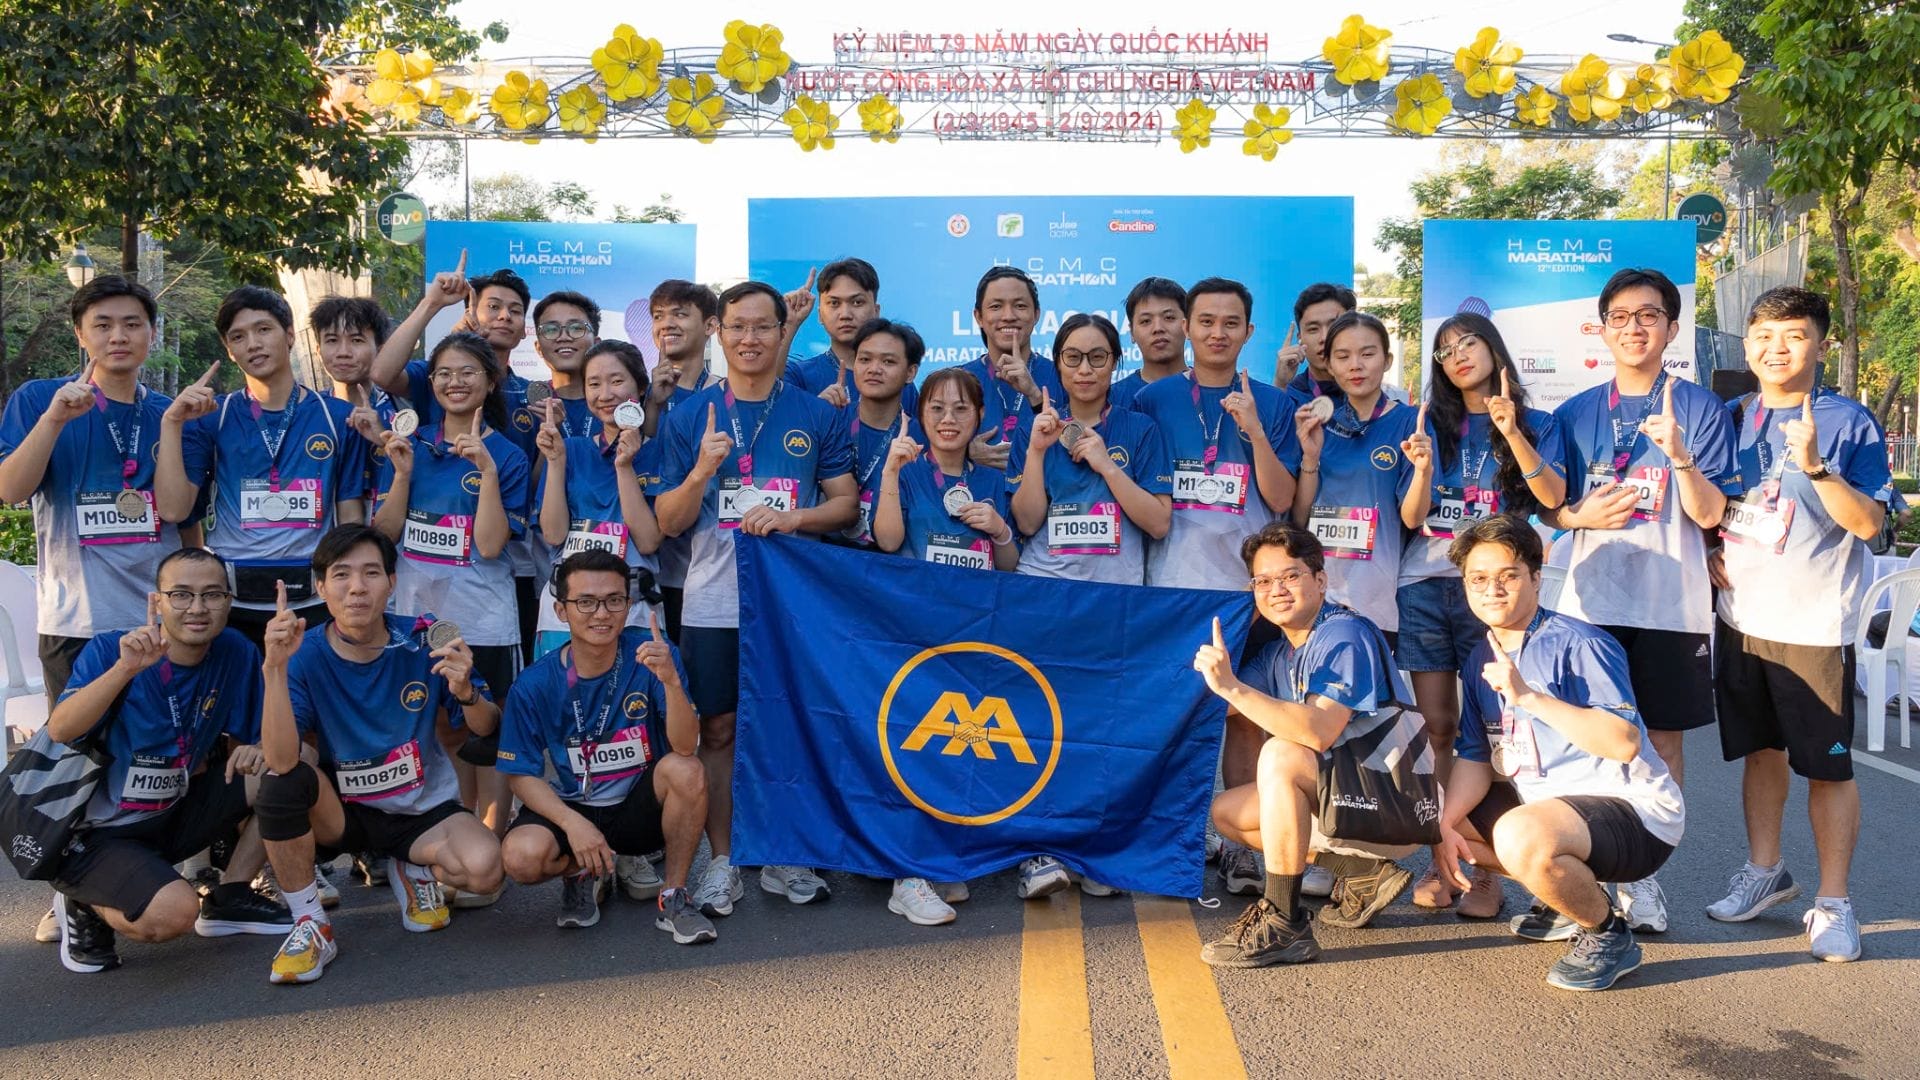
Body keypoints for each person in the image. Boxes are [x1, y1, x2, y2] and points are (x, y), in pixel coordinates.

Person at [1543, 267, 1739, 932]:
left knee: (1659, 743)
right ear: (1602, 329)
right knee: (1587, 743)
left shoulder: (1703, 410)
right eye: (1621, 316)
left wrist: (1681, 457)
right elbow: (1551, 511)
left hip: (1668, 607)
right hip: (1586, 606)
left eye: (1649, 315)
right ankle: (1591, 876)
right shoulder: (1573, 415)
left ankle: (1646, 882)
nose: (1634, 326)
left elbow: (1713, 513)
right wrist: (1578, 516)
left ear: (1671, 329)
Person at [655, 281, 857, 917]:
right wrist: (700, 474)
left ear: (781, 332)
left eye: (762, 327)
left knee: (788, 722)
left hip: (791, 602)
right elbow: (666, 520)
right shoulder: (690, 414)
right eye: (737, 327)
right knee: (716, 729)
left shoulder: (815, 413)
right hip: (713, 602)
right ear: (719, 331)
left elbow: (846, 505)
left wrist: (794, 520)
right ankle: (725, 858)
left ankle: (784, 850)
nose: (749, 339)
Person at [1707, 287, 1893, 963]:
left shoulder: (1850, 422)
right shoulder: (1730, 416)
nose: (1775, 348)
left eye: (1792, 335)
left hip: (1815, 626)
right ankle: (1765, 873)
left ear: (1820, 344)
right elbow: (1710, 506)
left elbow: (1870, 524)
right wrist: (1706, 555)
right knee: (1761, 752)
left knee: (1827, 769)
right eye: (1762, 335)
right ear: (1747, 343)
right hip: (1741, 620)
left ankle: (1835, 902)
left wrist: (1813, 464)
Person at [1436, 514, 1685, 992]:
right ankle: (1565, 899)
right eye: (1478, 579)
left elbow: (1623, 742)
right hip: (1555, 810)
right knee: (1440, 816)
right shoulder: (1479, 656)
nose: (1493, 589)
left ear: (1535, 576)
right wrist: (1443, 827)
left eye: (1508, 575)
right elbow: (1474, 756)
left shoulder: (1581, 642)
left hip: (1636, 815)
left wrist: (1530, 697)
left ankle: (1608, 934)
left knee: (1519, 833)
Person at [251, 525, 503, 984]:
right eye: (341, 574)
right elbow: (283, 759)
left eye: (371, 573)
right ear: (321, 586)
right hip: (342, 813)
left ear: (391, 582)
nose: (357, 587)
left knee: (486, 871)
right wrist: (274, 669)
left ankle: (412, 867)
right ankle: (310, 922)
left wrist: (466, 692)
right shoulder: (301, 654)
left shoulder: (425, 639)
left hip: (421, 810)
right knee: (280, 781)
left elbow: (485, 729)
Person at [1128, 276, 1302, 897]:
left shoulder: (1273, 405)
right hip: (1171, 584)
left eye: (1231, 323)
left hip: (1245, 590)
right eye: (1205, 322)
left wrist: (1255, 428)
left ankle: (1239, 845)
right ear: (1186, 328)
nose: (1216, 333)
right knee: (1173, 714)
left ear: (1248, 332)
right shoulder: (1151, 401)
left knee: (1245, 718)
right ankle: (1175, 832)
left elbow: (1282, 501)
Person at [43, 548, 288, 973]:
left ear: (229, 602)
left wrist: (263, 746)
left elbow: (255, 741)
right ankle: (82, 899)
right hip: (102, 832)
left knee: (289, 764)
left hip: (172, 812)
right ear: (157, 602)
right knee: (173, 914)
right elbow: (60, 730)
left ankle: (231, 895)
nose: (197, 608)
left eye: (212, 595)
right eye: (181, 595)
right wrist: (125, 670)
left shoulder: (234, 651)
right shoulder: (111, 649)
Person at [1191, 523, 1420, 968]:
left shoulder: (1344, 633)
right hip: (1349, 798)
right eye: (1263, 581)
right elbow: (1222, 707)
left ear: (1320, 579)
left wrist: (1232, 689)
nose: (1276, 589)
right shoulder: (1279, 651)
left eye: (1290, 576)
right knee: (1227, 814)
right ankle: (1363, 873)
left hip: (1395, 804)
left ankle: (1283, 921)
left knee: (1282, 752)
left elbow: (1318, 731)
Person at [1398, 314, 1567, 914]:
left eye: (1467, 342)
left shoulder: (1537, 422)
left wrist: (1512, 432)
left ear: (1493, 348)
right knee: (1439, 729)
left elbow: (1552, 499)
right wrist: (1420, 468)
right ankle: (1448, 860)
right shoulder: (1426, 424)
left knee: (1503, 730)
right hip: (1425, 587)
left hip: (1497, 594)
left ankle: (1508, 867)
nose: (1457, 355)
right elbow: (1412, 517)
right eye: (1444, 350)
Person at [371, 331, 532, 870]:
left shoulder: (507, 454)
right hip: (414, 614)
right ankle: (458, 825)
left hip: (484, 620)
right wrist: (400, 475)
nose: (454, 382)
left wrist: (486, 472)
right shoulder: (410, 444)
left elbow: (489, 544)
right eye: (443, 373)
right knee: (440, 726)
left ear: (490, 381)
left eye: (467, 372)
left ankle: (491, 835)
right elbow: (386, 533)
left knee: (487, 728)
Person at [497, 550, 714, 942]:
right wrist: (572, 824)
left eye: (614, 600)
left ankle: (674, 896)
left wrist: (671, 683)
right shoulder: (533, 684)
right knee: (521, 857)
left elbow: (686, 746)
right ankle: (581, 873)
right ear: (561, 611)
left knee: (688, 771)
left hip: (635, 807)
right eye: (586, 602)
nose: (601, 614)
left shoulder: (654, 653)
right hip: (573, 805)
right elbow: (519, 774)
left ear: (628, 605)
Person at [0, 276, 189, 705]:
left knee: (157, 752)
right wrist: (54, 421)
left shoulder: (168, 413)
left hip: (159, 622)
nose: (118, 336)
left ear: (151, 333)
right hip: (74, 622)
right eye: (102, 325)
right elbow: (10, 490)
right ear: (80, 334)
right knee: (77, 756)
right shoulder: (40, 399)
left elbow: (186, 521)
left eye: (132, 324)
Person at [157, 285, 371, 645]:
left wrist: (345, 593)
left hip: (314, 602)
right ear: (228, 349)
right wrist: (171, 423)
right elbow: (175, 509)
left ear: (289, 335)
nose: (253, 344)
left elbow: (349, 516)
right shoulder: (211, 418)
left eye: (263, 329)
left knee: (303, 702)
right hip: (231, 605)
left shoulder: (338, 418)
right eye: (238, 337)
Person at [371, 260, 545, 664]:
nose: (456, 382)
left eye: (515, 310)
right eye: (493, 306)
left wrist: (489, 471)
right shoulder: (416, 436)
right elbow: (381, 372)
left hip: (498, 582)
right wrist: (432, 304)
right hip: (415, 600)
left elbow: (494, 537)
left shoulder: (529, 403)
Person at [1010, 313, 1173, 585]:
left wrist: (1108, 467)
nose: (1084, 369)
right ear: (1059, 365)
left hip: (1115, 593)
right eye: (1073, 357)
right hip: (1044, 584)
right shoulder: (1033, 430)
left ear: (1114, 363)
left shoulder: (1140, 428)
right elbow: (1027, 524)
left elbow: (1158, 525)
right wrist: (1036, 452)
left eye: (1097, 357)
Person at [1290, 310, 1418, 639]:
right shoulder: (1315, 421)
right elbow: (1300, 518)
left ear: (1387, 360)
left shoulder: (1409, 422)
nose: (1355, 365)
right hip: (1315, 593)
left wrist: (1425, 468)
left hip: (1375, 596)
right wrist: (1310, 456)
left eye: (1368, 354)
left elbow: (1413, 518)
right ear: (1329, 365)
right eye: (1343, 356)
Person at [533, 340, 664, 654]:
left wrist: (624, 467)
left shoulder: (660, 450)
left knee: (633, 699)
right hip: (566, 611)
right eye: (594, 384)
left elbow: (647, 542)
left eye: (617, 381)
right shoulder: (572, 449)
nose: (605, 394)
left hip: (632, 608)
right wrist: (554, 461)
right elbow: (553, 534)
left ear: (641, 387)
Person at [873, 367, 1019, 571]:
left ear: (980, 413)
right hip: (920, 599)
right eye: (937, 408)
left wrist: (1000, 531)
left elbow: (1008, 568)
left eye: (960, 408)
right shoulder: (903, 473)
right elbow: (888, 543)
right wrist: (890, 473)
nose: (948, 419)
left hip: (972, 600)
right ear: (921, 413)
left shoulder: (993, 480)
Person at [642, 279, 721, 641]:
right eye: (659, 315)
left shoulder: (724, 393)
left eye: (679, 314)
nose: (667, 323)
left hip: (706, 568)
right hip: (650, 564)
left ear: (710, 326)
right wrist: (652, 406)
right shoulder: (634, 393)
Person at [956, 266, 1064, 473]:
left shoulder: (1063, 376)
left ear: (1036, 314)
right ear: (978, 316)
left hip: (1046, 501)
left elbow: (1078, 446)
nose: (1008, 316)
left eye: (1020, 306)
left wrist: (1034, 394)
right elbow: (926, 455)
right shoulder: (957, 380)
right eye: (996, 306)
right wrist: (963, 453)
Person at [783, 257, 914, 416]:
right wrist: (789, 324)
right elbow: (768, 408)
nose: (845, 314)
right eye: (834, 303)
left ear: (876, 311)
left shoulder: (898, 380)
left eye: (857, 302)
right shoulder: (799, 375)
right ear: (820, 315)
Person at [835, 318, 924, 548]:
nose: (874, 369)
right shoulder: (829, 422)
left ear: (911, 372)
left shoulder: (923, 439)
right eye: (865, 359)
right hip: (826, 565)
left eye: (888, 361)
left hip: (891, 570)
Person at [530, 289, 606, 440]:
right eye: (551, 329)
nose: (563, 337)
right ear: (539, 348)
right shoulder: (529, 405)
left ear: (596, 343)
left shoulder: (614, 400)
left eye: (576, 328)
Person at [1107, 277, 1189, 410]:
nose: (1158, 328)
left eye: (1169, 318)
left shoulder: (1213, 393)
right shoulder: (1111, 401)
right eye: (1145, 321)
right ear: (1132, 333)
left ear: (1187, 326)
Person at [1275, 283, 1355, 399]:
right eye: (1313, 329)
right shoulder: (1289, 397)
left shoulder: (1380, 395)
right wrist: (1280, 384)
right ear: (1300, 338)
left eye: (1334, 325)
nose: (1324, 337)